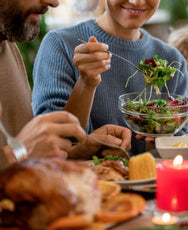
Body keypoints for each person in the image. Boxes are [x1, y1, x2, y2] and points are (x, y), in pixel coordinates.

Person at [32, 0, 188, 154]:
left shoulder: (172, 61)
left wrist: (160, 145)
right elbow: (51, 141)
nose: (136, 2)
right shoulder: (60, 44)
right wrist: (86, 83)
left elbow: (179, 150)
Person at [0, 0, 132, 171]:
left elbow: (21, 167)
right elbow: (18, 155)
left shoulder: (8, 46)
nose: (53, 3)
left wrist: (75, 152)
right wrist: (18, 153)